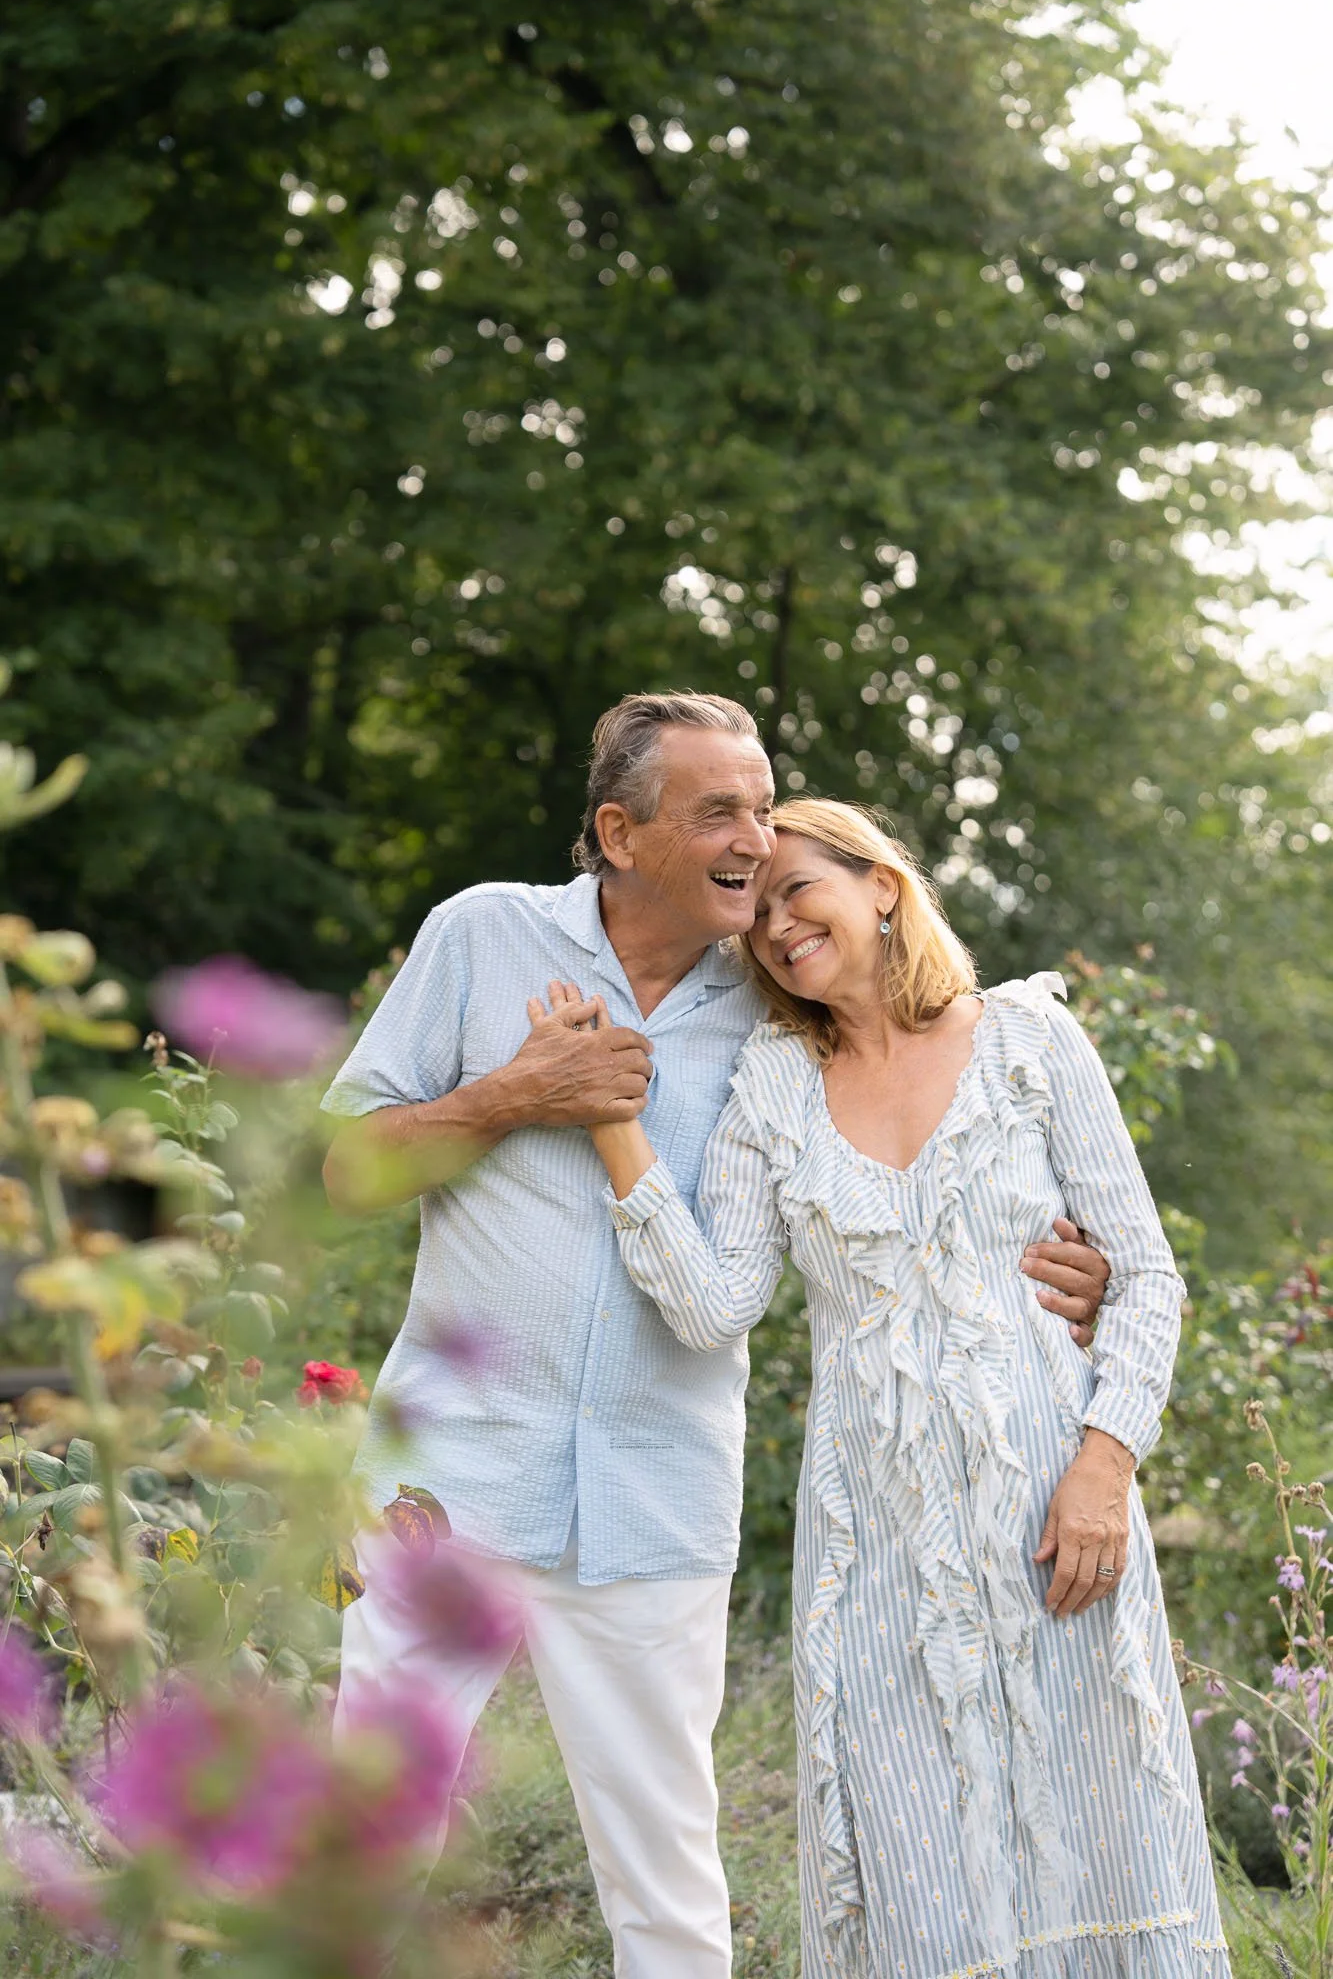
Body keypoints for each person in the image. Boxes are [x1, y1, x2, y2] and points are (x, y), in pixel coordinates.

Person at [320, 696, 1111, 1979]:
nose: (759, 835)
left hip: (656, 1493)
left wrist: (1061, 1264)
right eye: (721, 811)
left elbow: (910, 1148)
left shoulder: (782, 996)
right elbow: (335, 1170)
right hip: (445, 1483)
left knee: (669, 1894)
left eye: (764, 802)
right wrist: (517, 1094)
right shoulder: (479, 936)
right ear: (620, 832)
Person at [568, 795, 1230, 1979]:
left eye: (795, 889)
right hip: (874, 1546)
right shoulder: (772, 1082)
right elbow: (717, 1300)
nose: (773, 925)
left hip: (1054, 1518)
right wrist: (616, 1127)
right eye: (754, 912)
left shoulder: (1027, 1040)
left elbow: (1145, 1277)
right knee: (919, 1870)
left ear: (880, 883)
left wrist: (1103, 1462)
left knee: (1101, 1844)